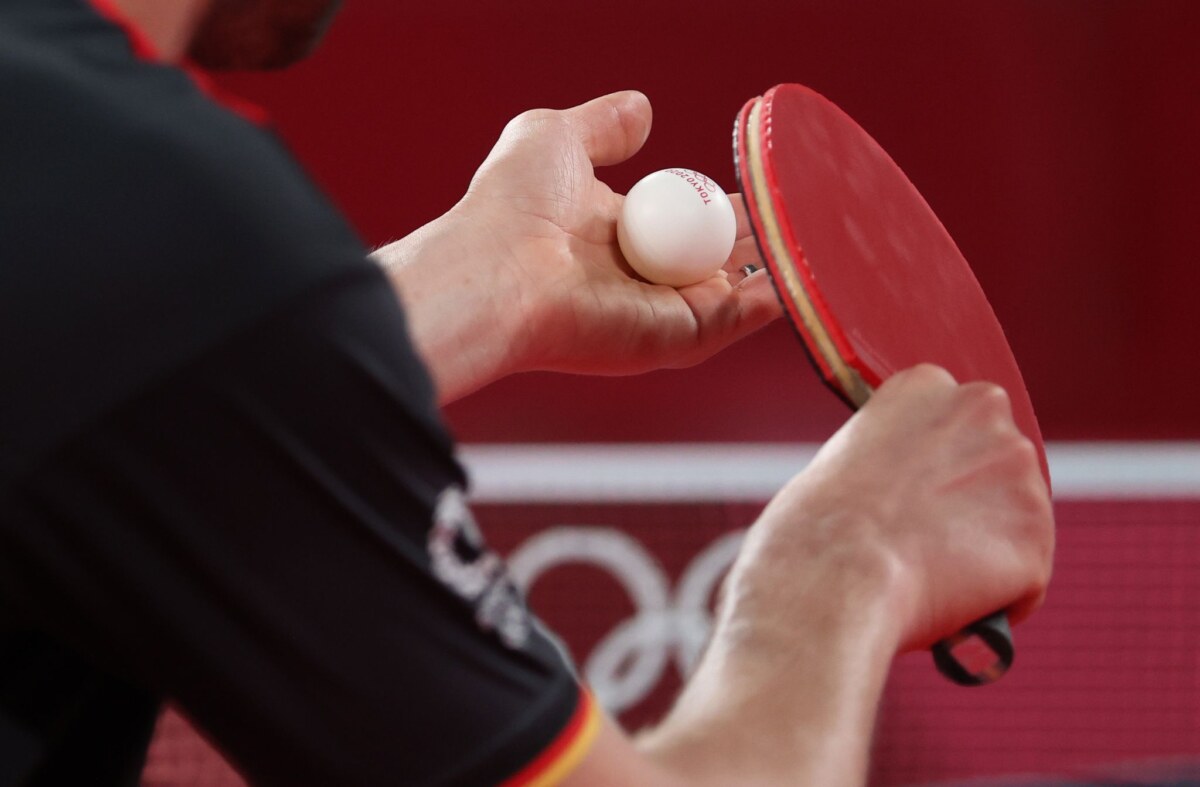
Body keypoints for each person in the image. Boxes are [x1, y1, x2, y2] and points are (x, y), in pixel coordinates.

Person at [0, 0, 1055, 784]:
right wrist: (845, 559)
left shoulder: (88, 195)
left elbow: (98, 374)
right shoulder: (172, 224)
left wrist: (484, 284)